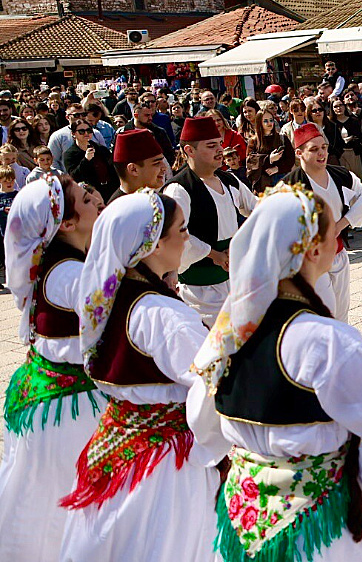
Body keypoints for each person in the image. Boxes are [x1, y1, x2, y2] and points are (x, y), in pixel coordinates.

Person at [186, 183, 362, 561]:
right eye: (333, 232)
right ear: (313, 250)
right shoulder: (323, 340)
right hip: (317, 531)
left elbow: (203, 426)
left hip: (242, 522)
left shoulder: (227, 334)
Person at [59, 190, 220, 560]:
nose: (187, 238)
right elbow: (215, 384)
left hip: (115, 448)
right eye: (182, 229)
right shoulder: (163, 314)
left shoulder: (106, 298)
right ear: (153, 244)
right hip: (163, 468)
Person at [0, 176, 104, 560]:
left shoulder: (65, 264)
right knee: (62, 504)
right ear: (67, 224)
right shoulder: (69, 275)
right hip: (66, 414)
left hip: (51, 398)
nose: (96, 198)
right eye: (86, 198)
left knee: (44, 499)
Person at [163, 116, 257, 326]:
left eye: (220, 144)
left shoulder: (229, 180)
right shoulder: (179, 189)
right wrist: (214, 254)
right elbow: (176, 235)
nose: (220, 150)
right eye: (211, 145)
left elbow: (256, 208)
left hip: (233, 280)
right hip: (200, 290)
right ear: (190, 150)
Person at [279, 123, 362, 323]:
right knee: (326, 312)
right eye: (314, 149)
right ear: (299, 153)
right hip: (310, 260)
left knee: (342, 312)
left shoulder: (340, 175)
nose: (321, 153)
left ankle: (339, 342)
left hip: (338, 253)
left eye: (324, 147)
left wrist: (341, 224)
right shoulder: (288, 187)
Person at [62, 118, 118, 200]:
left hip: (110, 189)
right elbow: (74, 176)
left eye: (89, 130)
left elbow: (113, 168)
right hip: (90, 193)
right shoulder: (70, 154)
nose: (86, 133)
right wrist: (86, 160)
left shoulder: (100, 148)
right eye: (81, 131)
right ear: (73, 134)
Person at [108, 128, 170, 203]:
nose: (164, 168)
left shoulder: (155, 200)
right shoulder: (118, 208)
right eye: (157, 163)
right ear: (133, 169)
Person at [246, 112, 294, 192]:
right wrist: (269, 159)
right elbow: (250, 162)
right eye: (265, 121)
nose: (269, 123)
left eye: (271, 120)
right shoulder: (254, 141)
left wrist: (278, 168)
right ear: (259, 123)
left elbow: (290, 159)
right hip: (263, 182)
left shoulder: (282, 138)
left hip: (281, 179)